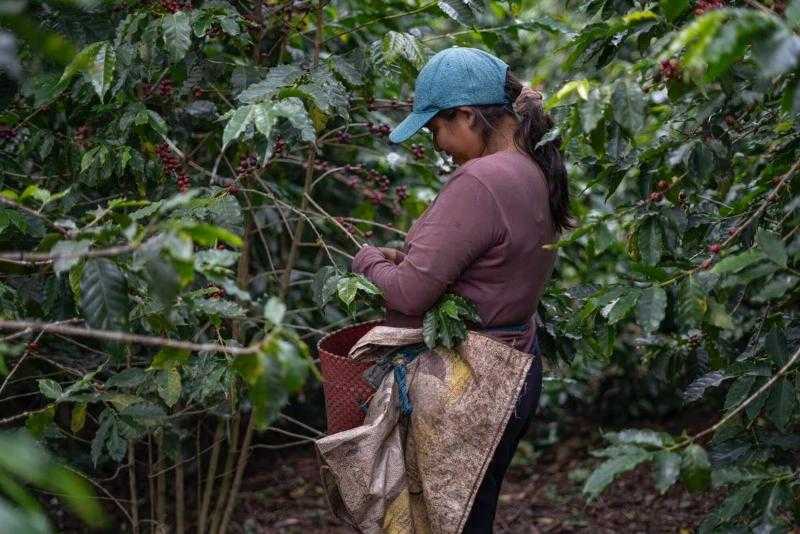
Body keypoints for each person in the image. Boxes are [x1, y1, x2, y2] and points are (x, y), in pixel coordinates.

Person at [350, 46, 573, 533]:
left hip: (471, 383)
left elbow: (408, 294)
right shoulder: (530, 169)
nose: (437, 146)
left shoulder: (481, 180)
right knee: (471, 519)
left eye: (436, 130)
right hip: (513, 370)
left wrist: (366, 259)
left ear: (468, 116)